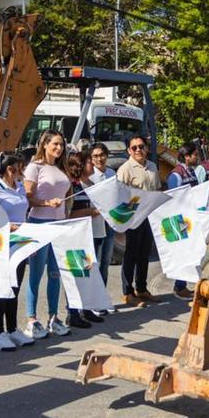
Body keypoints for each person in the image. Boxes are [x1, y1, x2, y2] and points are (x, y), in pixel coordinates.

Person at [0, 152, 35, 352]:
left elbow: (24, 215)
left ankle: (12, 329)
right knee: (1, 290)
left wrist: (30, 243)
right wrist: (6, 226)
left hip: (19, 245)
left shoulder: (19, 187)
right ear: (10, 169)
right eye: (21, 168)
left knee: (14, 288)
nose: (24, 172)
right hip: (2, 246)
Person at [22, 130, 71, 339]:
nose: (59, 148)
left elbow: (67, 195)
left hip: (58, 225)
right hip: (39, 223)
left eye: (61, 144)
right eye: (55, 144)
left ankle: (53, 317)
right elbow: (28, 198)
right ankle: (32, 319)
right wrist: (46, 203)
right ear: (44, 145)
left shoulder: (61, 168)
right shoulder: (35, 167)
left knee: (54, 273)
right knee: (36, 273)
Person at [118, 134, 160, 305]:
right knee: (131, 254)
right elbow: (119, 194)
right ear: (129, 150)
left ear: (147, 148)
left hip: (149, 216)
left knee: (144, 254)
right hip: (133, 217)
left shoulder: (152, 167)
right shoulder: (125, 169)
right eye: (134, 147)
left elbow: (156, 189)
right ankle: (127, 292)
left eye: (141, 146)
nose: (138, 150)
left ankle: (141, 288)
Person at [65, 149, 104, 328]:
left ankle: (87, 309)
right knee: (77, 274)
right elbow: (68, 213)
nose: (93, 164)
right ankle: (72, 313)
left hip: (90, 234)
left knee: (89, 272)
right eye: (90, 161)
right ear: (81, 165)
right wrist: (90, 212)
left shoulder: (90, 183)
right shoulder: (73, 186)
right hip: (76, 236)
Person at [167, 143, 201, 299]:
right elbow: (175, 198)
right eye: (194, 154)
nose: (197, 157)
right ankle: (179, 286)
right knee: (182, 254)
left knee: (190, 253)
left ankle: (184, 284)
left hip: (190, 218)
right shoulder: (176, 175)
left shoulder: (191, 172)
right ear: (187, 156)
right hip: (180, 220)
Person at [88, 142, 116, 288]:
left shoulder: (112, 174)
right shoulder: (89, 177)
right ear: (91, 159)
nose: (99, 159)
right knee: (96, 261)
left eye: (102, 155)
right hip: (95, 224)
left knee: (106, 261)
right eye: (95, 156)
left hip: (109, 223)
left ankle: (102, 295)